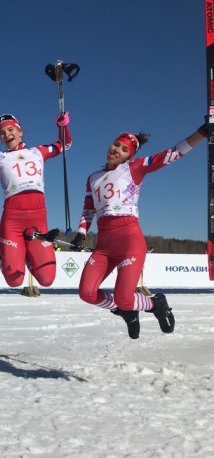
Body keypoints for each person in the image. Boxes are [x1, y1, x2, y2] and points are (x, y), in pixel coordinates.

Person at [71, 126, 207, 339]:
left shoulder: (133, 167)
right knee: (87, 293)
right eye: (116, 144)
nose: (117, 150)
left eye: (124, 150)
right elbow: (89, 208)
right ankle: (124, 311)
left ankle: (155, 304)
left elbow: (172, 154)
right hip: (105, 245)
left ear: (129, 156)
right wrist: (81, 232)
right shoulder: (93, 177)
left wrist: (202, 133)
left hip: (129, 240)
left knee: (124, 297)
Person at [0, 112, 71, 288]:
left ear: (20, 131)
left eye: (11, 129)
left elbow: (64, 145)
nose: (7, 135)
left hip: (38, 221)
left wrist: (63, 127)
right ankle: (11, 254)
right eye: (2, 133)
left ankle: (28, 257)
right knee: (14, 281)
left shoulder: (38, 152)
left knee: (47, 279)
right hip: (12, 221)